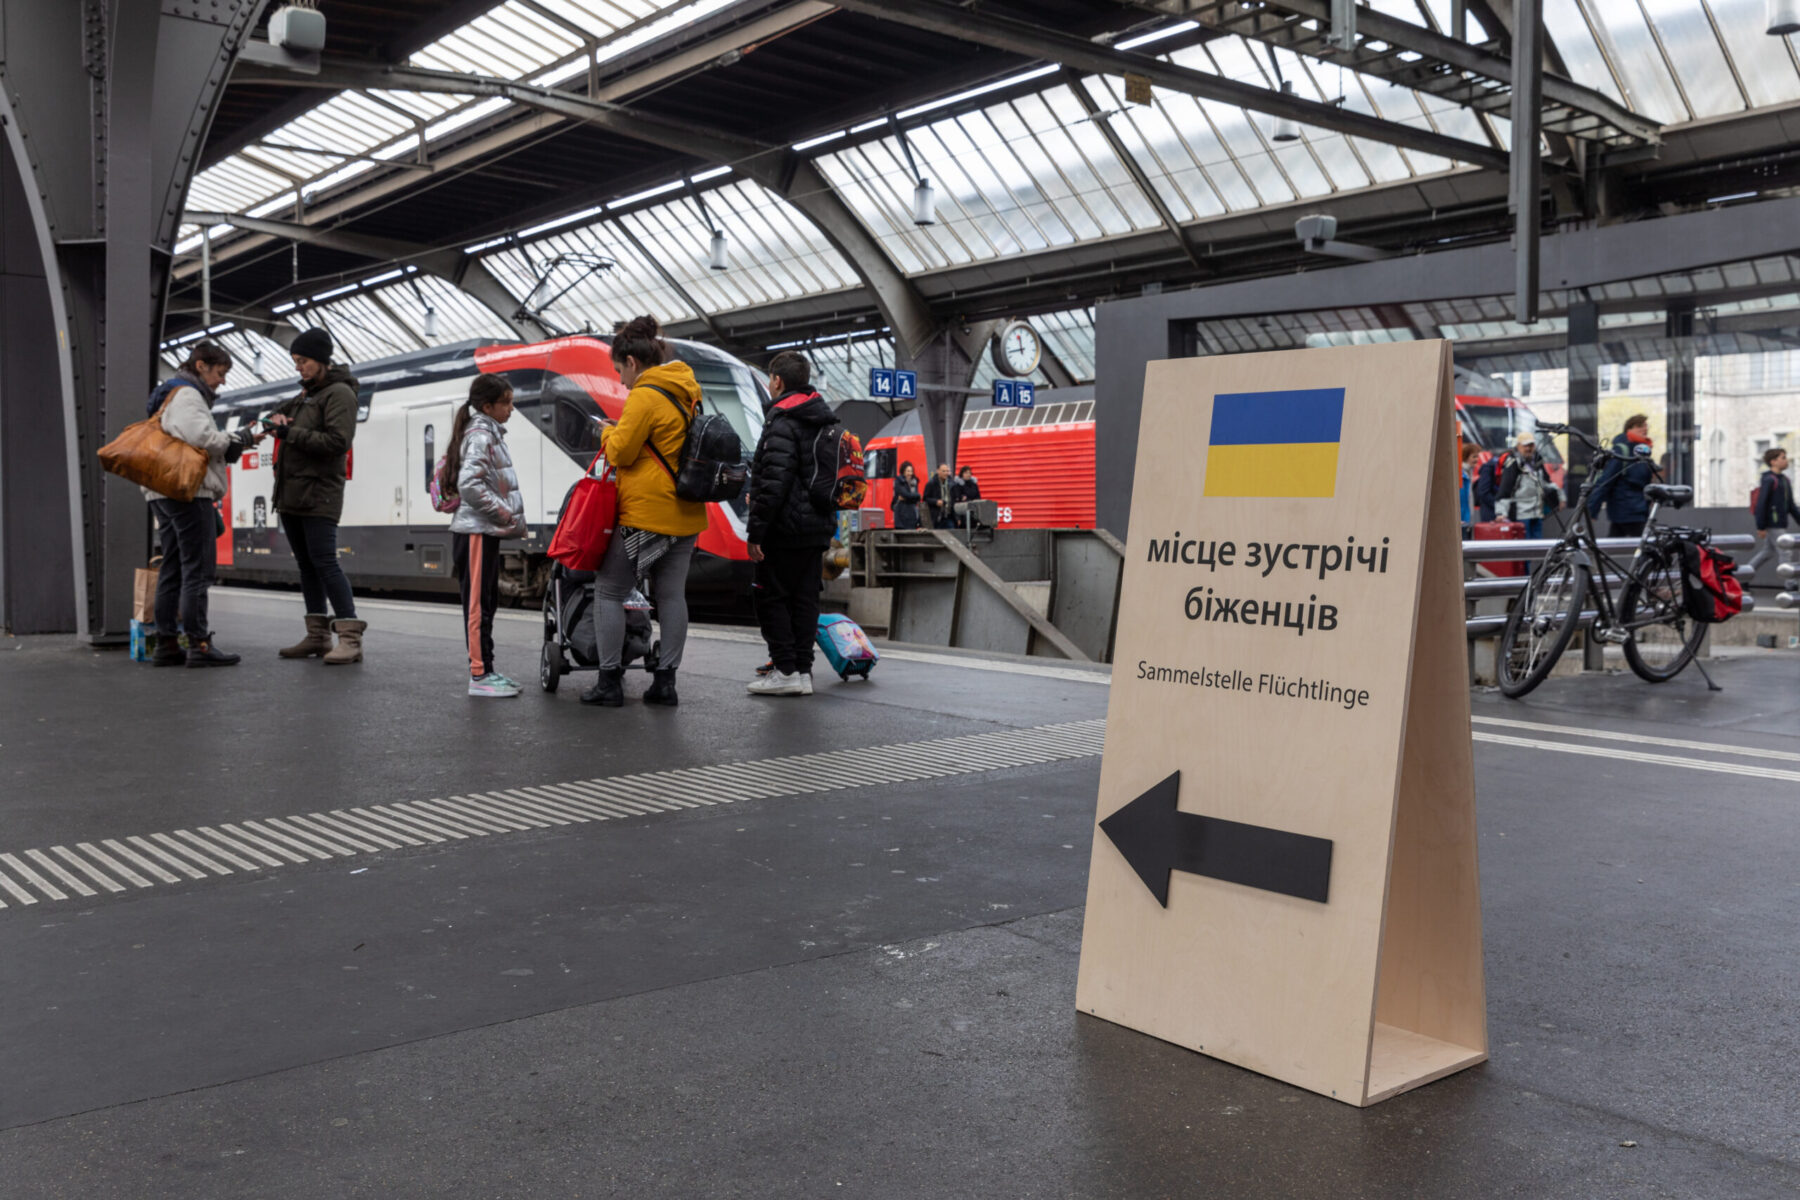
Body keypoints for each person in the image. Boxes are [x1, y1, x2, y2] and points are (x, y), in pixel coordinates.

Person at [580, 315, 706, 708]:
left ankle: (609, 682)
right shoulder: (688, 390)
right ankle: (664, 683)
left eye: (619, 370)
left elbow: (620, 452)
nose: (620, 380)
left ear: (632, 362)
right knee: (671, 596)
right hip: (686, 514)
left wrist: (606, 431)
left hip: (646, 515)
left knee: (609, 591)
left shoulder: (645, 395)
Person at [140, 341, 263, 667]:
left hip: (163, 491)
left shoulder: (168, 394)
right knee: (197, 570)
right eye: (220, 373)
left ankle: (167, 644)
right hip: (187, 492)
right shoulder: (186, 394)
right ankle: (199, 644)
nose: (222, 380)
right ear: (200, 366)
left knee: (174, 567)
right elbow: (203, 438)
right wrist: (241, 439)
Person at [266, 327, 365, 664]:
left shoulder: (339, 394)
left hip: (320, 493)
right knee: (307, 566)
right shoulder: (305, 396)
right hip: (292, 493)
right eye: (295, 361)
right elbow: (274, 417)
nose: (299, 368)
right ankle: (317, 636)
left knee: (324, 563)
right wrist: (273, 420)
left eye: (304, 361)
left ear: (322, 360)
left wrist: (289, 432)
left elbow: (338, 442)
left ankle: (350, 639)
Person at [744, 349, 838, 697]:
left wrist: (756, 532)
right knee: (805, 600)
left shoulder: (782, 420)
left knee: (771, 598)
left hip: (784, 530)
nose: (768, 385)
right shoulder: (824, 418)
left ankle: (784, 669)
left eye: (770, 379)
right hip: (817, 528)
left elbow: (774, 483)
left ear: (778, 381)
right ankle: (802, 672)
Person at [444, 374, 529, 698]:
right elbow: (470, 485)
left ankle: (487, 670)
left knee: (486, 603)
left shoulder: (487, 432)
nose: (511, 408)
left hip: (482, 531)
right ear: (487, 406)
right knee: (478, 606)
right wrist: (504, 514)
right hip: (477, 531)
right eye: (506, 402)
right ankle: (479, 675)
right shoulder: (481, 434)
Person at [1585, 413, 1656, 539]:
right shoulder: (1622, 450)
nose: (1645, 429)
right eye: (1640, 426)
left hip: (1637, 509)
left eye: (1646, 426)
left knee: (1615, 542)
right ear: (1629, 429)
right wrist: (1593, 509)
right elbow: (1606, 480)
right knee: (1645, 545)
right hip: (1627, 511)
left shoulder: (1642, 453)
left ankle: (1601, 558)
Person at [1743, 446, 1798, 584]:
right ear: (1773, 461)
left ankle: (1743, 576)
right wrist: (1760, 526)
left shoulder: (1785, 480)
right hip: (1772, 523)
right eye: (1783, 458)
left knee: (1767, 552)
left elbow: (1791, 505)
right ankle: (1790, 584)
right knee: (1785, 551)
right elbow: (1762, 504)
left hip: (1779, 522)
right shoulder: (1768, 479)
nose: (1786, 461)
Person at [1498, 432, 1559, 539]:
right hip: (1520, 514)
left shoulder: (1537, 461)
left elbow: (1546, 482)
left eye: (1531, 445)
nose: (1529, 448)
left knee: (1537, 546)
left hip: (1537, 513)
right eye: (1525, 445)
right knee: (1523, 546)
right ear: (1518, 446)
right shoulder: (1513, 462)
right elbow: (1505, 489)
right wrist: (1501, 512)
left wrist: (1560, 497)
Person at [923, 461, 957, 529]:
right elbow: (925, 498)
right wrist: (936, 502)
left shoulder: (952, 484)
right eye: (943, 471)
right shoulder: (931, 483)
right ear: (938, 471)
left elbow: (954, 500)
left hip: (949, 516)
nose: (946, 473)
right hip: (936, 517)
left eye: (947, 471)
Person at [891, 461, 922, 530]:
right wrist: (915, 496)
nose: (910, 473)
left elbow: (917, 498)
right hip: (902, 513)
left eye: (911, 471)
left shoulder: (914, 481)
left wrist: (912, 496)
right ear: (903, 471)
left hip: (912, 513)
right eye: (908, 471)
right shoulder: (899, 481)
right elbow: (905, 494)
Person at [1458, 441, 1481, 530]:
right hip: (1461, 520)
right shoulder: (1460, 474)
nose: (1477, 459)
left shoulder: (1467, 473)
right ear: (1465, 456)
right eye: (1474, 456)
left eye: (1477, 456)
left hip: (1466, 520)